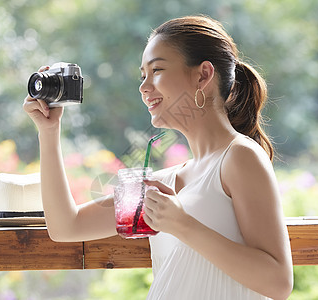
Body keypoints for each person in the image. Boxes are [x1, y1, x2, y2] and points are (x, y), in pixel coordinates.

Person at [24, 15, 293, 300]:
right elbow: (67, 226)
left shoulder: (240, 157)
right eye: (143, 75)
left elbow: (277, 282)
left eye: (157, 70)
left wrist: (181, 224)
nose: (144, 86)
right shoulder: (163, 182)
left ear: (203, 75)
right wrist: (49, 131)